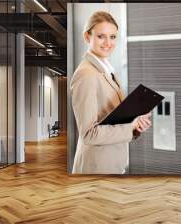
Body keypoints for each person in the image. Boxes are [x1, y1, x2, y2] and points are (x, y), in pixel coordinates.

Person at [71, 11, 151, 174]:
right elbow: (89, 134)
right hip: (96, 168)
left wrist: (135, 123)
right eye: (101, 36)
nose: (108, 43)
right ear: (87, 37)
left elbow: (110, 117)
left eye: (113, 37)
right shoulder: (86, 74)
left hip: (111, 163)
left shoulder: (106, 70)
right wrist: (130, 128)